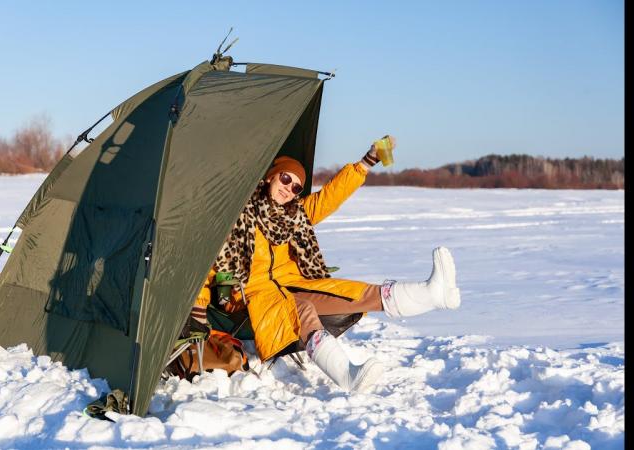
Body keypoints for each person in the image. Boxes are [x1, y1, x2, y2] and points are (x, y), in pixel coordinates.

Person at [190, 137, 461, 392]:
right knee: (303, 309)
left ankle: (432, 294)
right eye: (286, 178)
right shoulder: (239, 215)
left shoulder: (295, 216)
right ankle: (347, 375)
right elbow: (208, 265)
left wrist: (367, 161)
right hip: (250, 297)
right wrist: (199, 307)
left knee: (351, 292)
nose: (289, 188)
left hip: (292, 285)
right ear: (272, 175)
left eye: (296, 186)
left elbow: (329, 197)